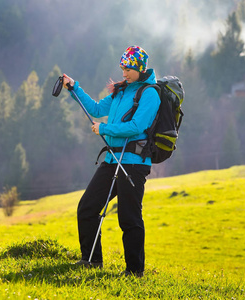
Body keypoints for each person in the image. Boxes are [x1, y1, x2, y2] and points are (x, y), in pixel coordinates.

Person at [62, 45, 160, 277]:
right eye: (122, 68)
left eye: (127, 69)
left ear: (139, 68)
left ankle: (135, 272)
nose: (123, 73)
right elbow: (96, 109)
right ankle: (92, 261)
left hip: (134, 163)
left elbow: (137, 127)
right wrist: (74, 87)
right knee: (87, 208)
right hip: (112, 159)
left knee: (129, 218)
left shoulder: (150, 94)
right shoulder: (121, 91)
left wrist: (104, 128)